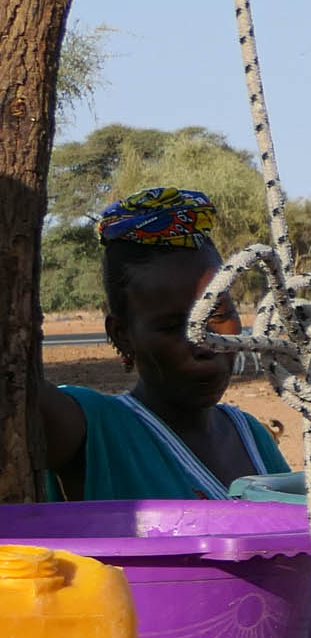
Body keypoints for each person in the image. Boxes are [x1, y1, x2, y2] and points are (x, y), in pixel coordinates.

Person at [41, 188, 289, 501]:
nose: (204, 343)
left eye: (220, 314)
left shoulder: (252, 436)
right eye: (174, 327)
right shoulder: (94, 429)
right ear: (122, 335)